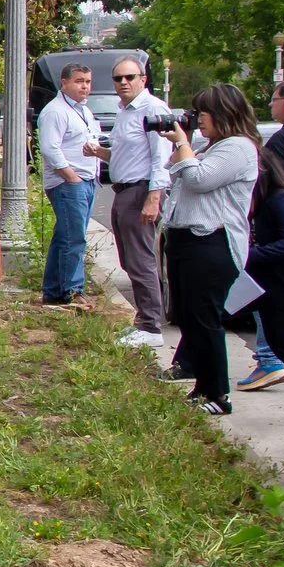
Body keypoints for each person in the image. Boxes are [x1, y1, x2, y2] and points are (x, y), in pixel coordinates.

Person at [161, 84, 260, 416]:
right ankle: (202, 387)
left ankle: (218, 394)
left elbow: (200, 180)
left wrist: (183, 144)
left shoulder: (239, 148)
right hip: (188, 241)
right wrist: (182, 147)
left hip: (212, 243)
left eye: (202, 113)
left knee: (204, 320)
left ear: (225, 114)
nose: (197, 119)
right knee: (188, 318)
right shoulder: (212, 145)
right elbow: (175, 173)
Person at [238, 77, 284, 389]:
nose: (271, 105)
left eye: (275, 99)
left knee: (277, 304)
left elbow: (268, 185)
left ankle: (269, 358)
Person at [106, 58, 175, 350]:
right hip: (123, 191)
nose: (124, 82)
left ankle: (150, 325)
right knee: (129, 260)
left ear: (143, 79)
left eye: (130, 77)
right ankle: (143, 320)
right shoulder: (125, 112)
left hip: (140, 191)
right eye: (118, 78)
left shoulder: (153, 110)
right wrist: (100, 152)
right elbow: (127, 155)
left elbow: (161, 156)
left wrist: (154, 196)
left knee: (141, 260)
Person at [37, 61, 106, 308]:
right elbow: (50, 148)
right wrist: (71, 176)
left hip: (86, 180)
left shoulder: (84, 111)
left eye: (87, 82)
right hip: (69, 182)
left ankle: (53, 290)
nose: (85, 87)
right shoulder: (56, 111)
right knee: (74, 238)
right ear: (64, 83)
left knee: (64, 235)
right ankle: (72, 290)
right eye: (79, 81)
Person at [245, 137, 284, 405]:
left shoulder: (279, 199)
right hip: (271, 288)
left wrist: (251, 255)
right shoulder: (262, 200)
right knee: (280, 343)